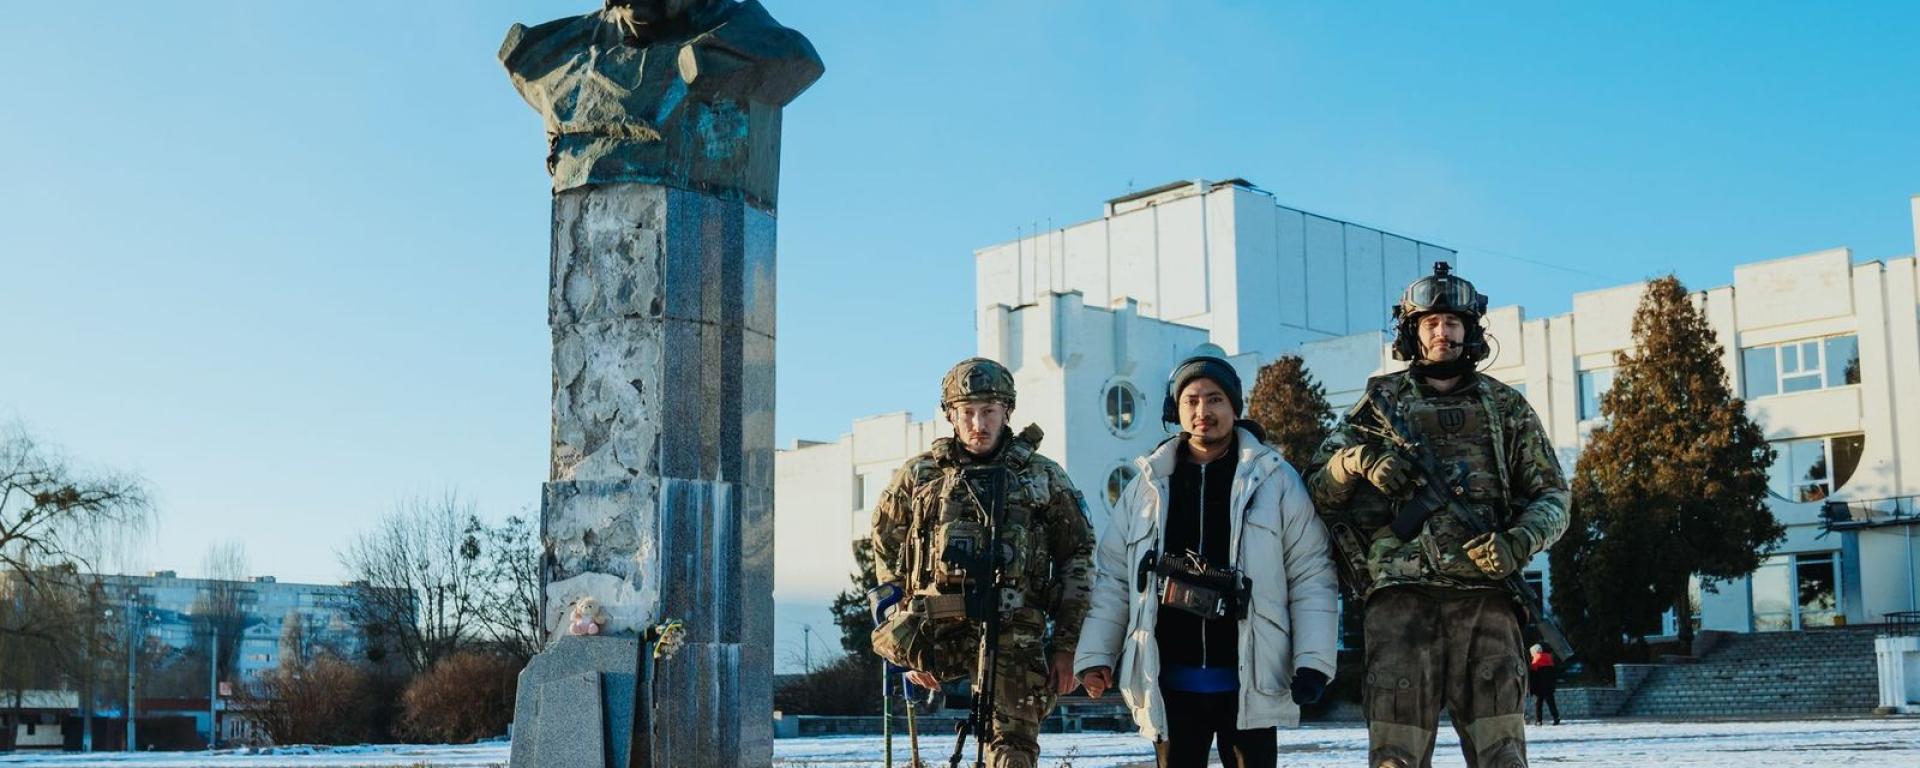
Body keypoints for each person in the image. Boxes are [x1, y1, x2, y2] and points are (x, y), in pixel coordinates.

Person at [1304, 262, 1570, 768]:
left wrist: (1518, 541)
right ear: (1412, 332)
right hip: (1401, 603)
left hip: (1486, 601)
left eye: (1452, 322)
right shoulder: (1378, 405)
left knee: (1503, 757)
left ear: (1470, 330)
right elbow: (1316, 488)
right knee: (1394, 758)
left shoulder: (1505, 407)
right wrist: (1358, 461)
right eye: (1430, 323)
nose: (1442, 332)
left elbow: (1554, 498)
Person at [1073, 353, 1339, 768]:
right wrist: (1095, 657)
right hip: (1168, 681)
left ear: (1234, 406)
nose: (1203, 412)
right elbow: (1114, 579)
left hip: (1250, 678)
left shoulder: (1275, 480)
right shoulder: (1147, 484)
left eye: (1215, 399)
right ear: (1175, 410)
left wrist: (1313, 662)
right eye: (1191, 401)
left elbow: (1310, 573)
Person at [868, 357, 1095, 768]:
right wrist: (903, 634)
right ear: (950, 415)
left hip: (1013, 636)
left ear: (1007, 411)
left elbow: (1077, 557)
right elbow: (886, 543)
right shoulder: (920, 476)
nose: (978, 424)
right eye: (967, 413)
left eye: (988, 411)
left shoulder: (1042, 477)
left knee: (1012, 753)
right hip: (935, 630)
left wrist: (1067, 646)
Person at [1528, 644, 1561, 726]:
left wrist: (1532, 689)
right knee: (1551, 703)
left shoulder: (1535, 661)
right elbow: (1554, 675)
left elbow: (1533, 677)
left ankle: (1539, 720)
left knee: (1538, 704)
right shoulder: (1550, 659)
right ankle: (1556, 717)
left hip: (1539, 688)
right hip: (1549, 687)